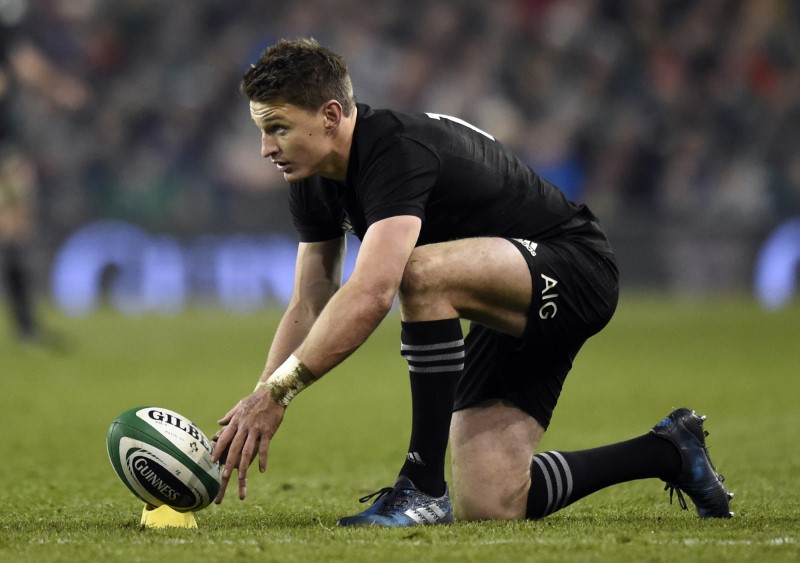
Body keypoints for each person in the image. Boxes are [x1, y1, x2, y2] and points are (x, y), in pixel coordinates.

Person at [211, 38, 733, 525]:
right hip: (501, 293)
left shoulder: (393, 150)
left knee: (420, 273)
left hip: (574, 267)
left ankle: (421, 486)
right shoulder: (314, 175)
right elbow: (309, 299)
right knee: (493, 500)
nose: (264, 147)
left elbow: (371, 294)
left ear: (330, 116)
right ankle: (671, 450)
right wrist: (256, 403)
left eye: (277, 127)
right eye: (261, 129)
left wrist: (281, 392)